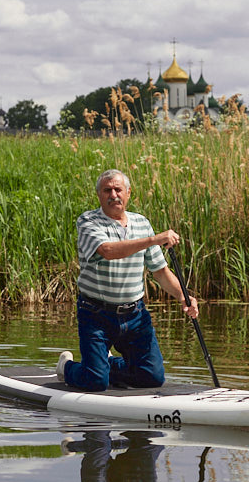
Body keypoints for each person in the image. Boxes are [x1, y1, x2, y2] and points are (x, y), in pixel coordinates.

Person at [57, 168, 199, 392]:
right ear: (99, 196)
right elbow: (108, 250)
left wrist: (183, 296)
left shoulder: (141, 223)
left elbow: (159, 271)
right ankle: (68, 368)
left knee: (152, 377)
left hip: (134, 316)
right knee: (95, 383)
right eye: (107, 190)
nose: (113, 195)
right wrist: (153, 239)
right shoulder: (87, 221)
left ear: (128, 193)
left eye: (118, 189)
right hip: (95, 314)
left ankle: (106, 363)